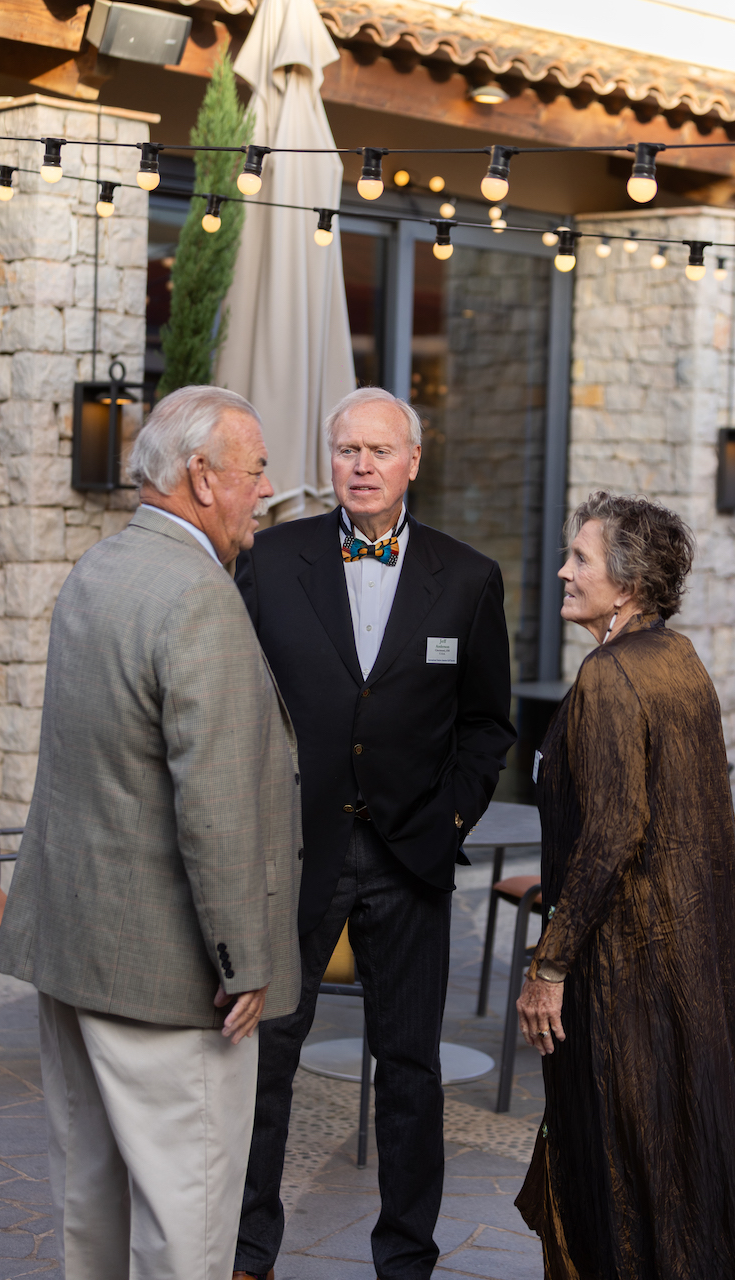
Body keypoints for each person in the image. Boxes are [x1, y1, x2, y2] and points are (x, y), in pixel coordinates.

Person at [0, 385, 304, 1280]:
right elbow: (216, 804)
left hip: (75, 949)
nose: (266, 489)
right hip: (170, 979)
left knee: (89, 1206)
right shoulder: (199, 596)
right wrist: (245, 958)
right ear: (202, 478)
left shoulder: (99, 567)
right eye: (255, 470)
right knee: (186, 1230)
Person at [232, 385, 515, 1280]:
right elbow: (235, 700)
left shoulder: (467, 577)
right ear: (330, 460)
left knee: (410, 1072)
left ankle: (406, 1260)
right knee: (266, 1060)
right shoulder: (270, 560)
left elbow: (487, 725)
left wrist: (451, 816)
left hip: (410, 858)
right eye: (347, 449)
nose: (361, 465)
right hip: (294, 852)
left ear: (413, 462)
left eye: (379, 450)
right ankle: (246, 1253)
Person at [514, 491, 735, 1278]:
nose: (563, 571)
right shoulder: (677, 657)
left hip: (622, 970)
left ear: (630, 583)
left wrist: (549, 966)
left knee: (617, 1162)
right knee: (671, 1158)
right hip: (681, 964)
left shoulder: (609, 676)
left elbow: (612, 834)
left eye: (580, 558)